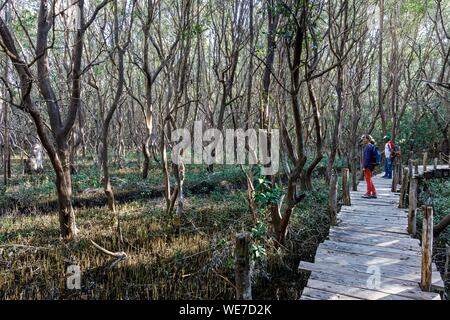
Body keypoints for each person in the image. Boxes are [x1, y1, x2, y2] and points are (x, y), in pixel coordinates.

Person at [361, 134, 377, 199]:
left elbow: (367, 158)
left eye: (364, 139)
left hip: (368, 166)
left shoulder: (368, 146)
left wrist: (364, 166)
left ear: (367, 139)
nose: (363, 140)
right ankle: (374, 193)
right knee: (369, 179)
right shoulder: (371, 146)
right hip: (371, 165)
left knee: (368, 179)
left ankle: (368, 193)